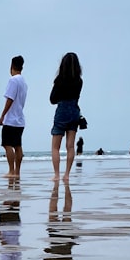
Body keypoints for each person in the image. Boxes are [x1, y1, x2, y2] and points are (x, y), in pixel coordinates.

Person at [49, 52, 83, 182]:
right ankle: (67, 175)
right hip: (74, 111)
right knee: (70, 146)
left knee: (55, 147)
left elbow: (52, 99)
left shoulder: (59, 80)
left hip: (62, 111)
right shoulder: (79, 81)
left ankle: (57, 174)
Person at [0, 55, 28, 179]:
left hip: (11, 119)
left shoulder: (13, 80)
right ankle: (17, 172)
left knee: (7, 144)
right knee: (17, 145)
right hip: (20, 119)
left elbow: (10, 99)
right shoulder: (24, 82)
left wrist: (2, 115)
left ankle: (11, 171)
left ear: (12, 67)